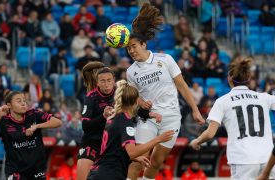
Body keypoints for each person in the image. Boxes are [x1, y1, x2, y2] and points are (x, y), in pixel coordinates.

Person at [126, 3, 205, 180]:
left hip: (171, 117)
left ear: (144, 44)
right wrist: (140, 102)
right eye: (128, 48)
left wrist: (195, 110)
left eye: (134, 46)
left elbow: (182, 85)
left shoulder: (165, 59)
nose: (131, 50)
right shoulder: (131, 71)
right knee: (139, 159)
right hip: (149, 117)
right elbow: (134, 97)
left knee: (156, 162)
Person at [190, 57, 275, 179]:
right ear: (248, 79)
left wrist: (197, 141)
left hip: (243, 159)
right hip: (267, 159)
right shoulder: (263, 97)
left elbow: (210, 133)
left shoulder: (222, 101)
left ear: (229, 78)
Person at [87, 80, 175, 180]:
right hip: (111, 174)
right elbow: (132, 152)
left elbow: (113, 148)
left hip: (98, 172)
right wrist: (158, 139)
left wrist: (136, 158)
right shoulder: (125, 121)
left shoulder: (114, 117)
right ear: (135, 102)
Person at [0, 91, 62, 180]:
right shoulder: (4, 122)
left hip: (37, 169)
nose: (23, 104)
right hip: (16, 171)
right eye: (19, 101)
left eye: (24, 101)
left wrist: (36, 126)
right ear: (9, 105)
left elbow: (58, 122)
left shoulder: (33, 114)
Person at [77, 67, 116, 180]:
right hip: (92, 142)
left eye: (109, 80)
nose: (106, 84)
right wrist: (103, 117)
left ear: (114, 80)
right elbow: (85, 126)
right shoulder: (91, 97)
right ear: (97, 82)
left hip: (112, 143)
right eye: (102, 81)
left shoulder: (120, 94)